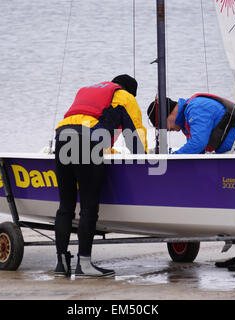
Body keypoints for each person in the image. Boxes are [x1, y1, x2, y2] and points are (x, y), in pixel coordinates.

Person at [147, 94, 235, 271]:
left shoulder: (196, 108)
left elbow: (198, 144)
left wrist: (171, 160)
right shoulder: (188, 117)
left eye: (163, 126)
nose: (168, 130)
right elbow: (196, 151)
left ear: (169, 115)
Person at [54, 74, 148, 278]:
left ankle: (61, 264)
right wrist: (144, 161)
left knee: (65, 206)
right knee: (88, 206)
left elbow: (90, 121)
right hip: (86, 140)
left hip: (62, 136)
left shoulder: (88, 91)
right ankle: (84, 265)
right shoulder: (126, 97)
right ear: (130, 92)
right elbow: (135, 136)